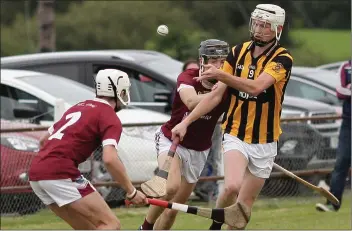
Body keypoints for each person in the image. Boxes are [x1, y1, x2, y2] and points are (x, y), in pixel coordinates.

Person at [171, 4, 292, 229]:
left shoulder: (282, 59)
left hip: (266, 140)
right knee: (231, 187)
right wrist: (185, 122)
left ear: (277, 29)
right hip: (236, 132)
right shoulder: (237, 52)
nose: (259, 29)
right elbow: (216, 96)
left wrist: (221, 75)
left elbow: (257, 87)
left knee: (242, 210)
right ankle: (215, 227)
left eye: (265, 25)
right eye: (257, 23)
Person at [28, 69, 147, 230]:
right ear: (120, 91)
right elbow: (110, 159)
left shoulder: (78, 107)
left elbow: (44, 140)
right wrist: (132, 191)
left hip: (36, 174)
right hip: (60, 172)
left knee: (87, 228)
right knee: (110, 224)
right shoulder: (109, 117)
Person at [139, 39, 230, 230]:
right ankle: (145, 227)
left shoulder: (227, 85)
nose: (218, 66)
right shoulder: (188, 77)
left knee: (172, 210)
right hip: (171, 140)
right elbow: (190, 101)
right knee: (170, 188)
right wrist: (216, 94)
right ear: (202, 60)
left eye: (222, 61)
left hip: (199, 150)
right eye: (213, 60)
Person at [316, 60, 351, 212]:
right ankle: (333, 203)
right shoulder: (346, 67)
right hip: (348, 123)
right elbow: (339, 91)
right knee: (341, 162)